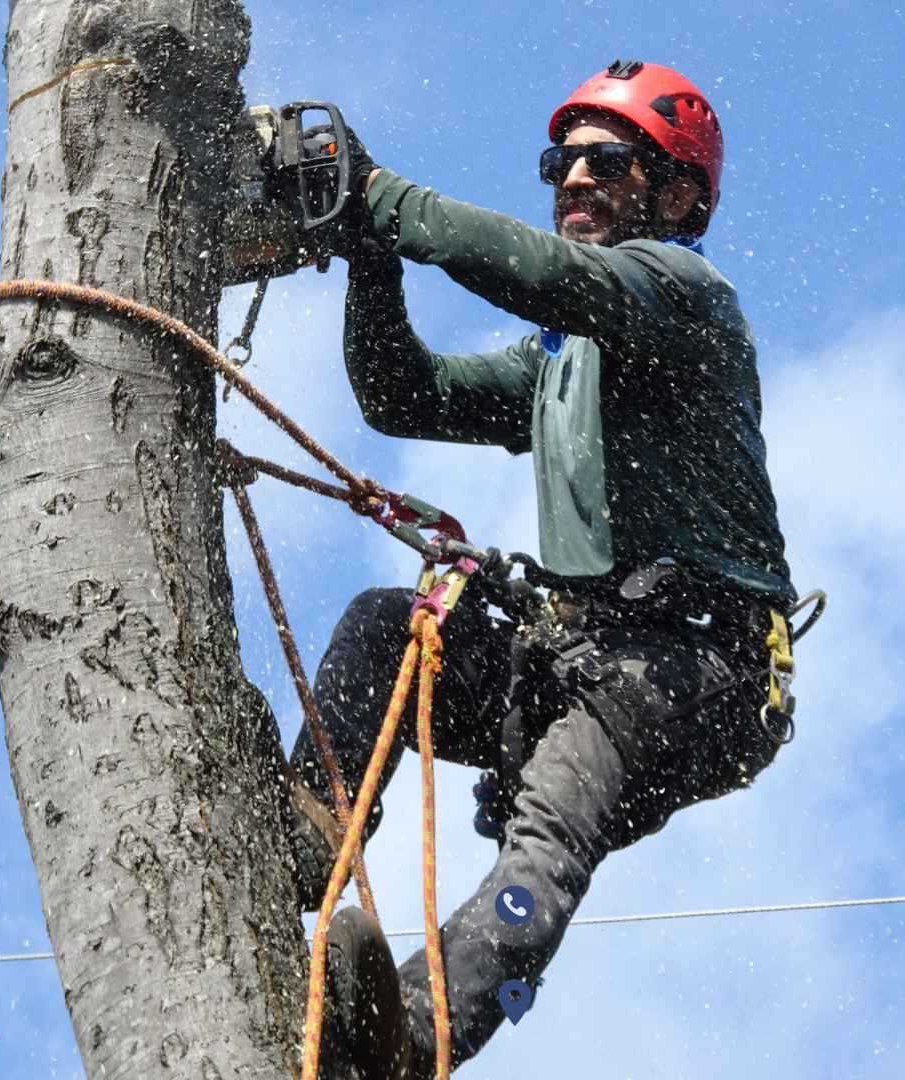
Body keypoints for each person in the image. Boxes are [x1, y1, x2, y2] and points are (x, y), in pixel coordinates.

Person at [283, 60, 797, 1079]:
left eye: (605, 163)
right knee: (391, 627)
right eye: (560, 162)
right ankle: (307, 829)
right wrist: (367, 258)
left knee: (549, 835)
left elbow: (543, 273)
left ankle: (413, 1039)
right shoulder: (563, 357)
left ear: (680, 194)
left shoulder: (685, 300)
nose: (572, 180)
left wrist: (382, 200)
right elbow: (403, 395)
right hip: (583, 653)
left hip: (695, 666)